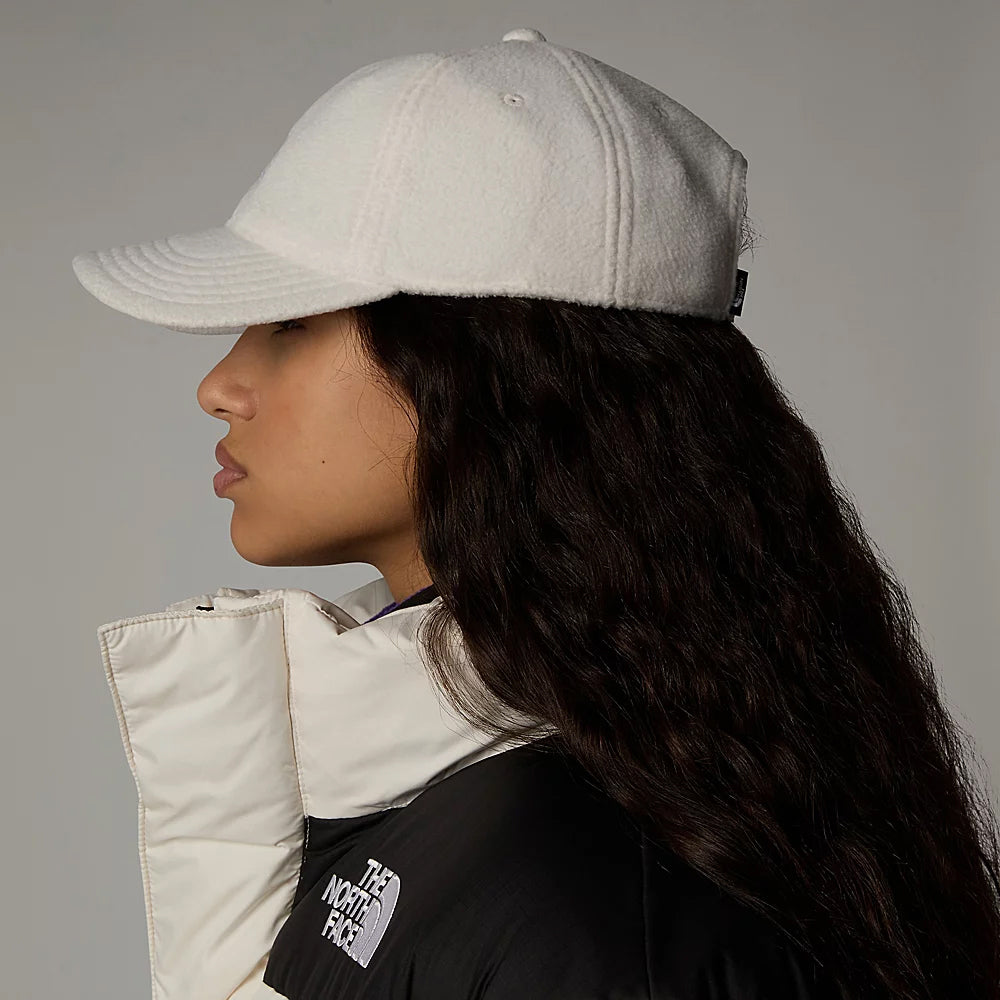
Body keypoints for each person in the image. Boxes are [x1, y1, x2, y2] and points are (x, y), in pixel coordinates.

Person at [72, 27, 1000, 1000]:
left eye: (291, 322)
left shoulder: (593, 912)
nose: (219, 386)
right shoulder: (435, 800)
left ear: (491, 373)